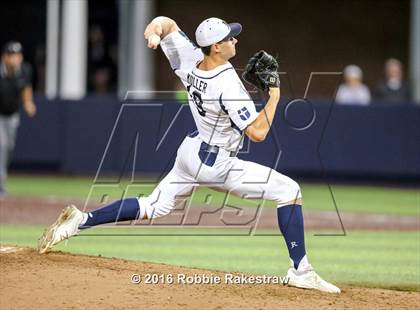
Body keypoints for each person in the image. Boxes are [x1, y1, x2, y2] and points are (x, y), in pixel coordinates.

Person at [38, 17, 340, 294]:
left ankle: (80, 221)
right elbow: (258, 133)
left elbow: (166, 23)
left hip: (191, 152)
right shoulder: (228, 84)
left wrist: (154, 32)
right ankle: (300, 270)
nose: (236, 41)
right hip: (217, 164)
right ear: (217, 46)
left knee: (151, 206)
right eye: (230, 38)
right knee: (290, 190)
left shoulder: (192, 59)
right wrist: (274, 97)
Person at [0, 41, 36, 196]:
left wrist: (28, 102)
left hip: (12, 114)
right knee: (1, 145)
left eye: (18, 55)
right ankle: (0, 186)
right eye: (12, 55)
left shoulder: (24, 70)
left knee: (9, 148)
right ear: (4, 57)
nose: (16, 59)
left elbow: (26, 88)